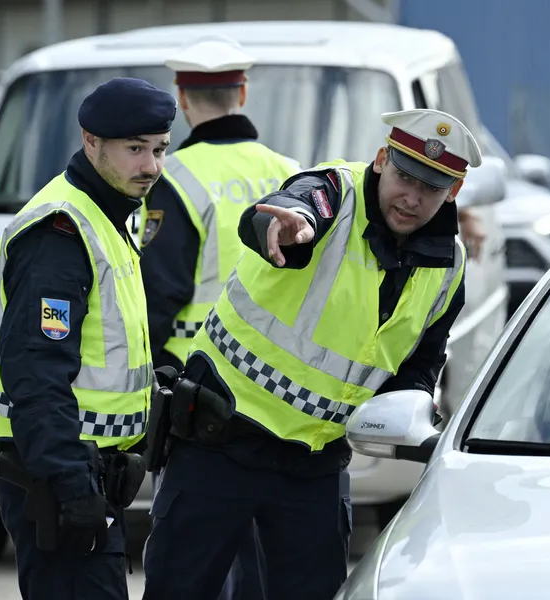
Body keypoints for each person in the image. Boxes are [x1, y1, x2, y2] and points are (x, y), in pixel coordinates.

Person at [142, 107, 476, 600]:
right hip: (222, 440)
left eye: (431, 187)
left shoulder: (449, 266)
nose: (412, 197)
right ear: (382, 159)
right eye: (404, 176)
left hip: (315, 466)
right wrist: (289, 226)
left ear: (453, 192)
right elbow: (292, 209)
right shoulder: (332, 194)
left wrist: (409, 407)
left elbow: (421, 362)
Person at [0, 77, 176, 599]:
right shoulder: (61, 233)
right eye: (135, 149)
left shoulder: (106, 215)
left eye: (159, 149)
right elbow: (37, 373)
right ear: (91, 141)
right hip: (58, 477)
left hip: (83, 471)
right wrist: (71, 488)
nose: (151, 166)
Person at [138, 35, 300, 600]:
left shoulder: (173, 178)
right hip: (282, 393)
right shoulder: (291, 173)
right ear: (243, 92)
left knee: (194, 556)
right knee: (263, 556)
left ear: (183, 99)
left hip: (196, 394)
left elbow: (158, 292)